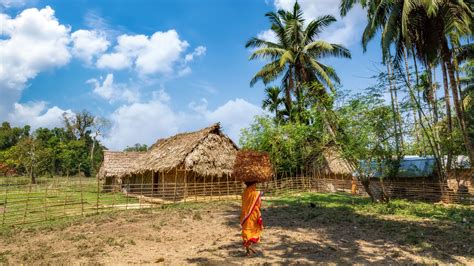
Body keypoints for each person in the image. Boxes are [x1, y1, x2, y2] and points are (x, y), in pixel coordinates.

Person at [240, 181, 263, 256]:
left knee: (246, 231)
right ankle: (248, 248)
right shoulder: (256, 194)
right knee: (252, 230)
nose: (255, 186)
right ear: (252, 185)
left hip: (245, 216)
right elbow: (259, 204)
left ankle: (248, 250)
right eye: (255, 184)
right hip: (253, 215)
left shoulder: (244, 194)